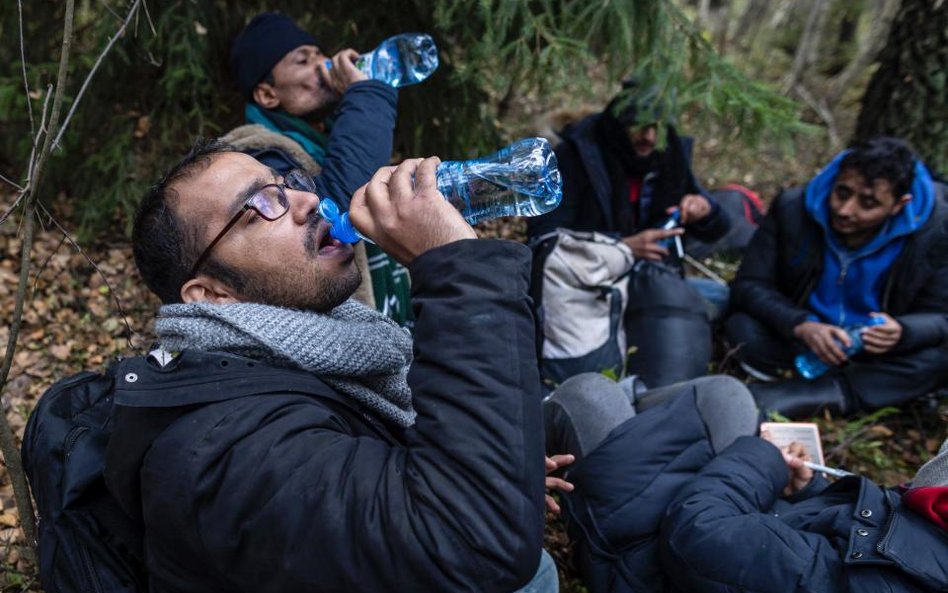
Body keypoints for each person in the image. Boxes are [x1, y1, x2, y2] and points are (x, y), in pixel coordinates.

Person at [104, 140, 555, 592]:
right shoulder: (223, 454)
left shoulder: (323, 351)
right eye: (259, 205)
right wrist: (455, 263)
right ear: (213, 293)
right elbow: (473, 542)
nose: (309, 200)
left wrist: (484, 462)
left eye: (288, 183)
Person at [726, 137, 948, 418]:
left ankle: (829, 392)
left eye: (868, 203)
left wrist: (903, 331)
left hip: (875, 352)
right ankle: (833, 387)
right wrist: (800, 324)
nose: (845, 210)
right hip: (800, 338)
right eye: (842, 192)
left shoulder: (937, 232)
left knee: (936, 362)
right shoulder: (794, 208)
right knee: (743, 328)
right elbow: (749, 284)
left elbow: (940, 316)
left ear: (900, 204)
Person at [226, 12, 412, 326]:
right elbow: (336, 212)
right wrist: (367, 94)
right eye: (303, 61)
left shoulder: (327, 137)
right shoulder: (257, 158)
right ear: (268, 95)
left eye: (319, 54)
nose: (323, 66)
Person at [541, 372, 760, 592]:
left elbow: (699, 536)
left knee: (589, 396)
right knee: (729, 400)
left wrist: (762, 460)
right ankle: (632, 418)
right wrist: (789, 485)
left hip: (646, 556)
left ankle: (527, 463)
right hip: (704, 509)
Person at [660, 436, 948, 592]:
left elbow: (701, 534)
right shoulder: (927, 530)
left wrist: (761, 459)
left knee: (721, 400)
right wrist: (809, 492)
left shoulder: (884, 578)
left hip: (654, 563)